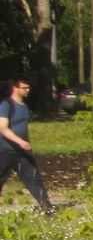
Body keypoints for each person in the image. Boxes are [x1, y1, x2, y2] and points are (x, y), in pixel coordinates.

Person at [0, 77, 54, 213]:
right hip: (6, 150)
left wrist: (27, 143)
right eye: (24, 88)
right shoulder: (6, 105)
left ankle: (48, 208)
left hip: (23, 153)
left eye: (28, 87)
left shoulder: (25, 107)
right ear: (15, 88)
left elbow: (24, 127)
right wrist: (20, 142)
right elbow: (3, 128)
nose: (28, 90)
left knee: (34, 179)